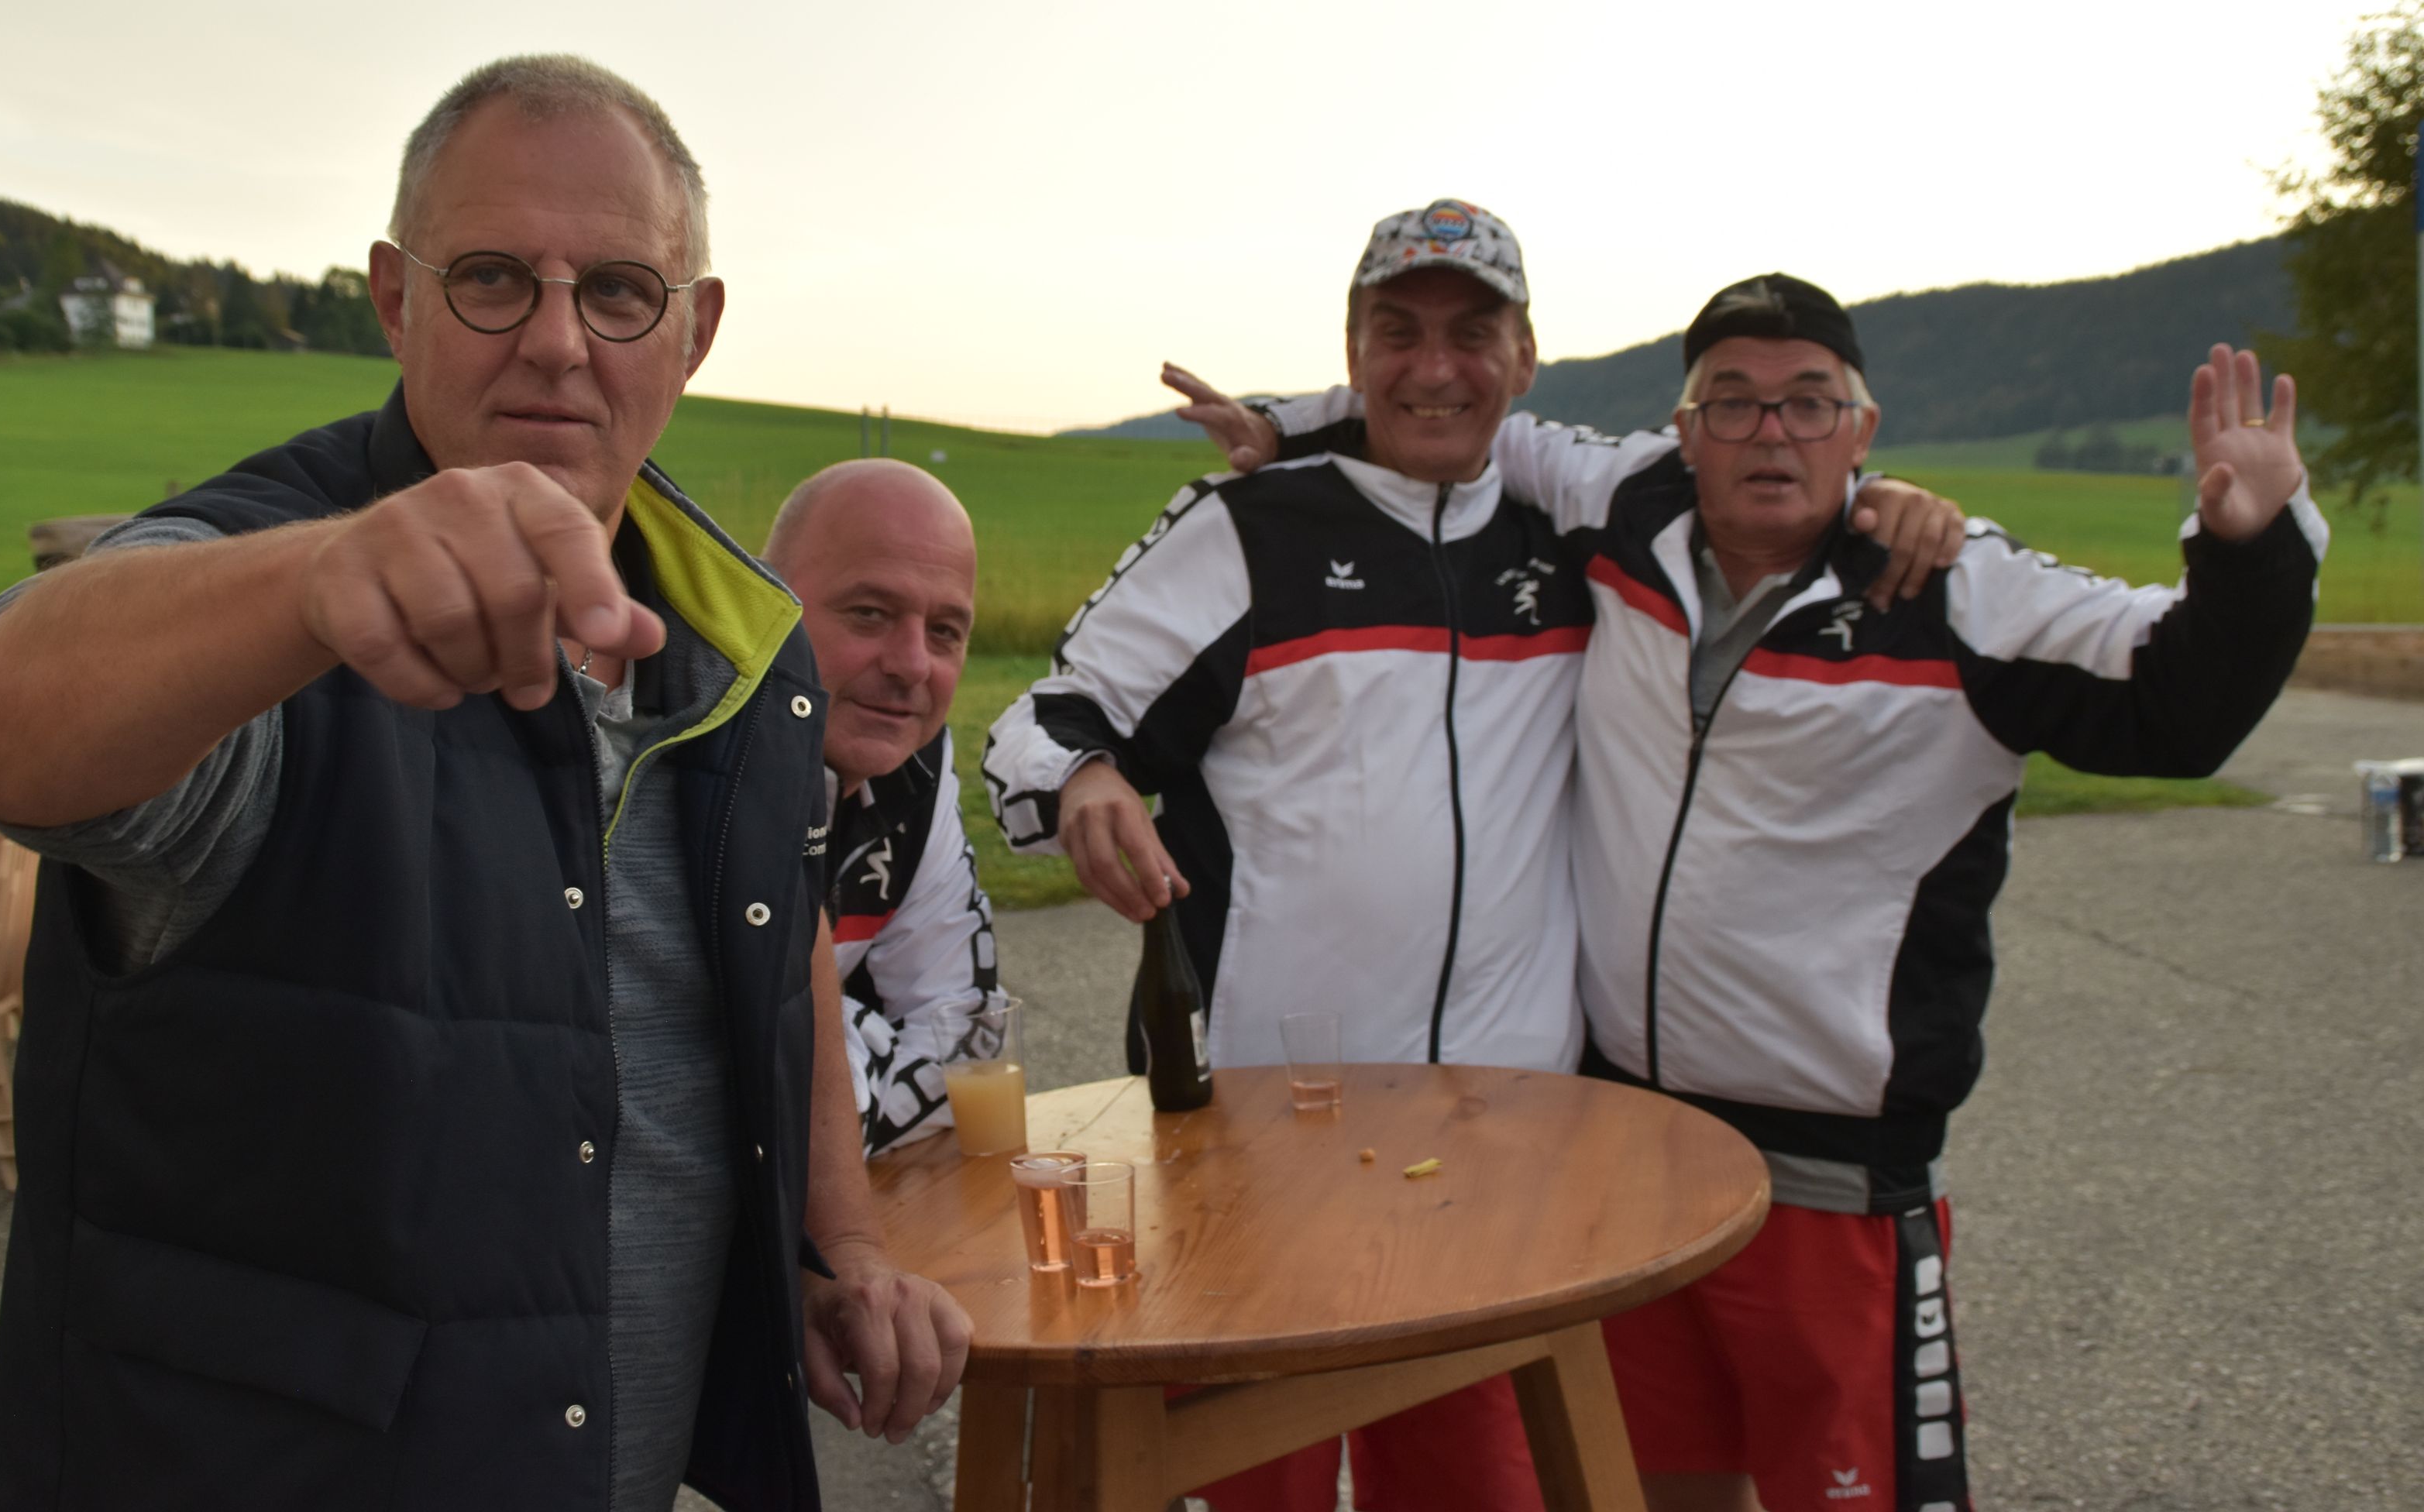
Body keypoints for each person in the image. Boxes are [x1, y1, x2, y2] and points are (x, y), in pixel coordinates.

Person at [0, 54, 970, 1512]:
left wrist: (835, 1245)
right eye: (491, 278)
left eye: (620, 291)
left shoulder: (744, 640)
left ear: (695, 331)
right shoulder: (278, 592)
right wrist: (318, 581)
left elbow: (776, 943)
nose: (556, 341)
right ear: (393, 299)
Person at [1183, 273, 2325, 1512]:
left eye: (1808, 403)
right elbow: (1463, 404)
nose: (1770, 432)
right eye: (1732, 402)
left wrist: (2252, 546)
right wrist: (1286, 425)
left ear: (1863, 428)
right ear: (1685, 428)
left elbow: (2181, 709)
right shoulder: (1626, 505)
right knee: (1651, 1491)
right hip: (1631, 1158)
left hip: (1830, 1183)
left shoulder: (1954, 591)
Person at [982, 208, 1961, 1512]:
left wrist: (1885, 505)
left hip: (1505, 1159)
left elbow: (1760, 479)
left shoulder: (1579, 535)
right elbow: (1043, 718)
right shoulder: (1244, 530)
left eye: (1472, 334)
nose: (1435, 366)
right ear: (1355, 352)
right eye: (1399, 332)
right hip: (1256, 1147)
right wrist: (1085, 779)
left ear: (1525, 358)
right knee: (1250, 1487)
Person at [764, 460, 1000, 1155]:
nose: (912, 665)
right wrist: (860, 1041)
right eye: (869, 614)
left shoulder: (912, 763)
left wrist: (835, 1048)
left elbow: (968, 1045)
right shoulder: (688, 767)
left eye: (945, 631)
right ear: (761, 600)